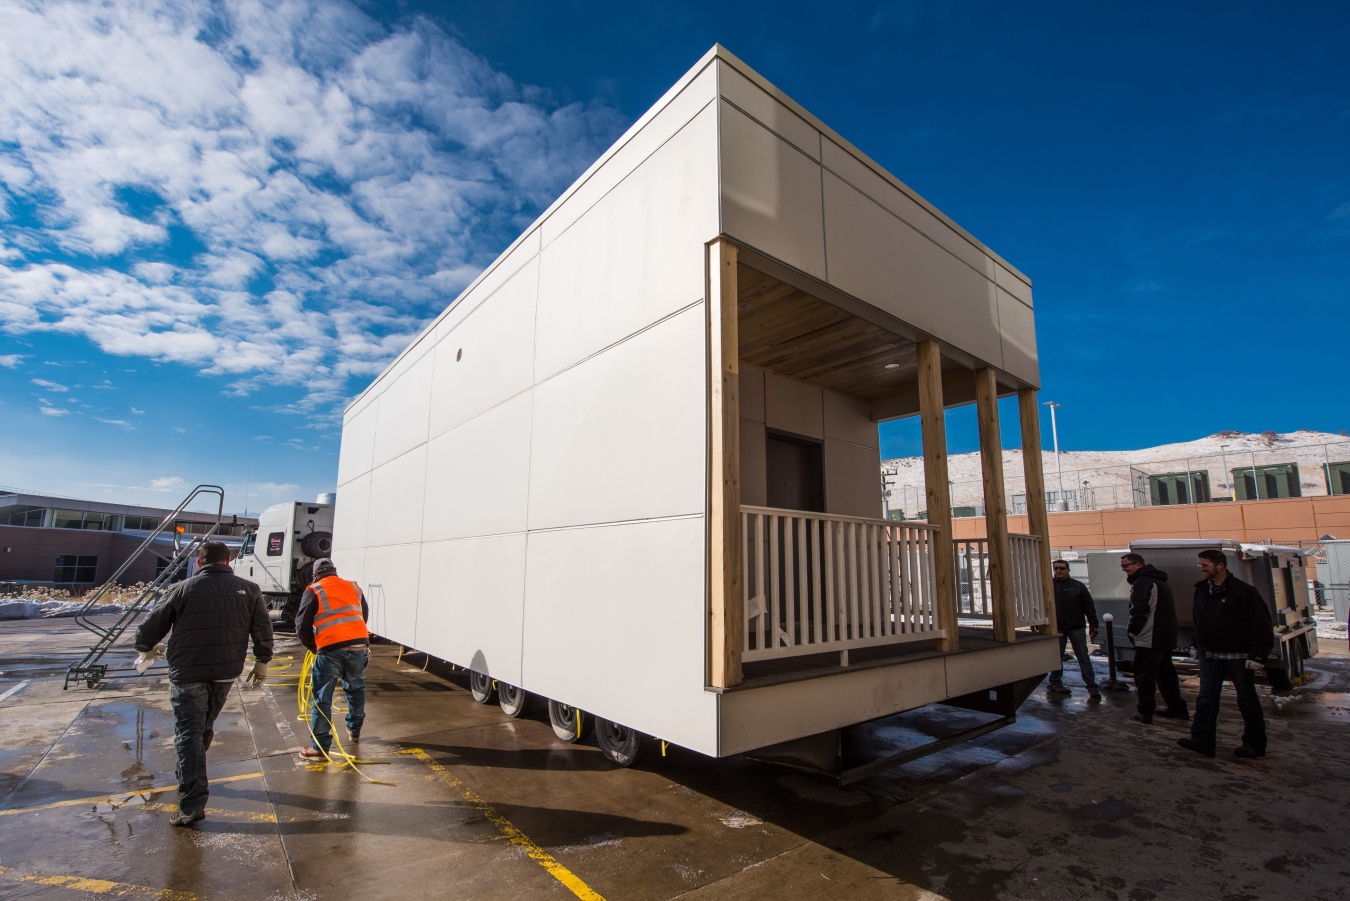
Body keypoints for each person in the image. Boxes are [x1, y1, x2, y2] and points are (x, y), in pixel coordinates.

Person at [134, 540, 272, 827]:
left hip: (188, 671)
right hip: (225, 670)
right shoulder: (249, 589)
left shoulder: (180, 589)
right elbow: (262, 627)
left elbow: (152, 625)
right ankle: (193, 776)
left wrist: (145, 646)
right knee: (201, 729)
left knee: (189, 734)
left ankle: (192, 802)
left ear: (199, 563)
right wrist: (262, 660)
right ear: (229, 560)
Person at [1178, 549, 1274, 759]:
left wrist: (1258, 655)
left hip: (1238, 655)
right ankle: (1202, 740)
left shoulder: (1243, 592)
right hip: (1209, 653)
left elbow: (1261, 625)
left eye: (1205, 565)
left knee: (1247, 699)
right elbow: (1199, 619)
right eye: (1200, 565)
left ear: (1220, 565)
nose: (1201, 568)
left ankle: (1254, 744)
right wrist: (1195, 643)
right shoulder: (1202, 590)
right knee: (1206, 697)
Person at [295, 558, 369, 760]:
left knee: (322, 698)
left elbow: (301, 626)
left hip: (329, 649)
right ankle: (354, 730)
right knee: (355, 688)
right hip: (359, 646)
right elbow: (364, 614)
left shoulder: (314, 590)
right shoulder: (353, 587)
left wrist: (314, 646)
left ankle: (319, 748)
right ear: (334, 572)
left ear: (316, 574)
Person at [1123, 552, 1189, 724]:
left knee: (1144, 675)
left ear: (1138, 565)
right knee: (1165, 674)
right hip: (1164, 636)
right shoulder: (1159, 581)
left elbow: (1139, 610)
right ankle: (1177, 708)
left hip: (1149, 637)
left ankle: (1145, 712)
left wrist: (1133, 632)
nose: (1124, 570)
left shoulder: (1143, 582)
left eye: (1126, 566)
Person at [1046, 559, 1101, 700]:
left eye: (1062, 568)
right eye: (1056, 568)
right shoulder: (1049, 586)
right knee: (1056, 657)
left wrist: (1093, 624)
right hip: (1057, 627)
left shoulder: (1078, 586)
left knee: (1083, 656)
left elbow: (1089, 607)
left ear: (1068, 570)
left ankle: (1091, 686)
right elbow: (1042, 604)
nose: (1059, 571)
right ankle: (1055, 682)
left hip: (1076, 626)